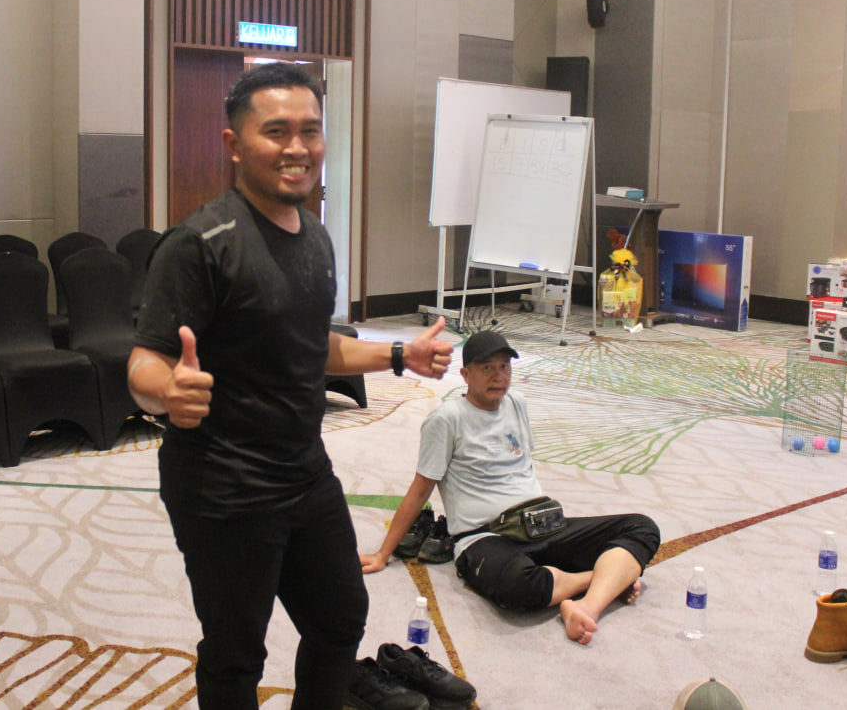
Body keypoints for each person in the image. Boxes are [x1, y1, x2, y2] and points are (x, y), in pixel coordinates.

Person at [127, 61, 454, 710]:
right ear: (234, 144)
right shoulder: (199, 244)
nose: (297, 147)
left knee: (339, 618)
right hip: (223, 483)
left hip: (303, 470)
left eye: (310, 130)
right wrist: (167, 392)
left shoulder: (316, 240)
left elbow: (313, 344)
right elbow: (144, 359)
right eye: (276, 131)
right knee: (236, 653)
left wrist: (400, 353)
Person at [360, 329, 660, 645]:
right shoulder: (447, 419)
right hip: (485, 537)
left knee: (642, 527)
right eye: (487, 367)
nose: (498, 376)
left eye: (504, 366)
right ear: (465, 375)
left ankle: (587, 606)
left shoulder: (516, 402)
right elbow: (420, 489)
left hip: (542, 525)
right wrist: (383, 553)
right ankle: (605, 581)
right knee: (519, 587)